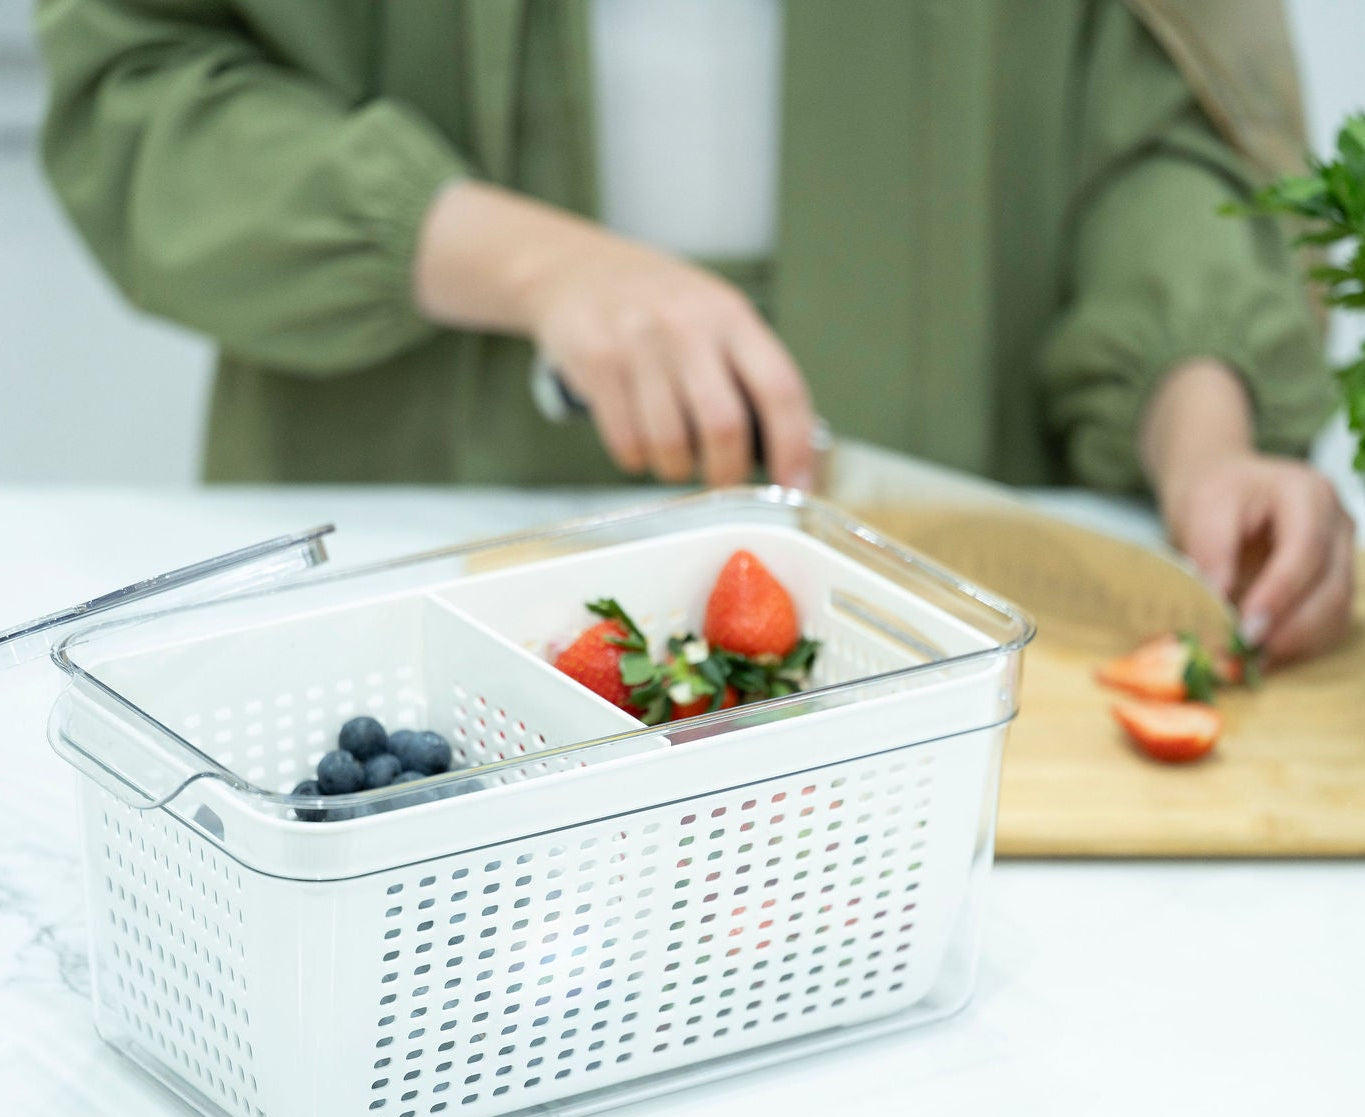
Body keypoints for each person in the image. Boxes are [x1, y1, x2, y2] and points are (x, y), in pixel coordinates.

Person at [37, 0, 1356, 663]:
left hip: (939, 624)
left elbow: (1159, 114)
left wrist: (1202, 427)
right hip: (399, 557)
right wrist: (531, 264)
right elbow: (141, 84)